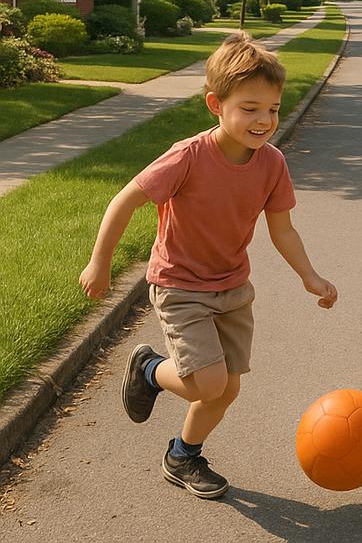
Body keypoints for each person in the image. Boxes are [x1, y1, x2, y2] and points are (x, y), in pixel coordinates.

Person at [79, 32, 337, 500]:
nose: (264, 120)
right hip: (179, 284)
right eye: (250, 108)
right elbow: (125, 200)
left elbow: (283, 230)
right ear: (216, 104)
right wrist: (101, 263)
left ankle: (183, 454)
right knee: (208, 382)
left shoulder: (272, 164)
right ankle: (150, 369)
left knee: (226, 389)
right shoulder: (188, 156)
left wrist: (310, 275)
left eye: (273, 109)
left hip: (232, 287)